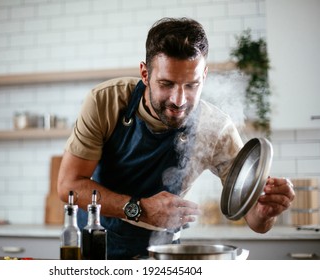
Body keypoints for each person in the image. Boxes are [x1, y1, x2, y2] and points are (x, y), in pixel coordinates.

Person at [57, 17, 295, 259]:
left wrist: (266, 212)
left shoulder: (216, 128)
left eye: (191, 85)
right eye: (166, 84)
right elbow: (69, 186)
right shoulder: (106, 101)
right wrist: (140, 209)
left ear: (204, 75)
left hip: (165, 255)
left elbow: (256, 221)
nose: (178, 100)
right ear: (145, 73)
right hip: (98, 247)